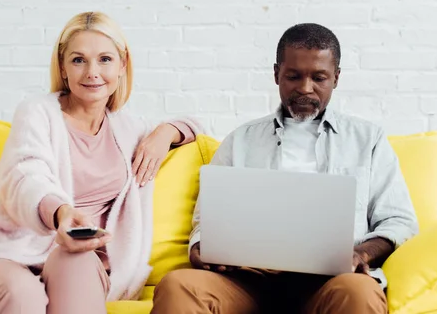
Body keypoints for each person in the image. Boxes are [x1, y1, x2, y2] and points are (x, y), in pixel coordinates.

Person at [0, 11, 203, 314]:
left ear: (123, 65)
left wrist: (165, 133)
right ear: (63, 67)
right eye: (79, 60)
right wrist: (61, 213)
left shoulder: (130, 129)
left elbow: (195, 126)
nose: (92, 72)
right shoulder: (36, 113)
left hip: (80, 257)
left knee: (78, 261)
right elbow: (25, 175)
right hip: (13, 250)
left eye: (105, 59)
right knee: (21, 295)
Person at [151, 23, 418, 314]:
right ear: (276, 73)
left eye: (319, 78)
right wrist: (200, 248)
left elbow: (399, 221)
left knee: (359, 291)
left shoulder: (368, 140)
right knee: (178, 285)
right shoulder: (241, 141)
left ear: (336, 78)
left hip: (331, 281)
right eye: (293, 76)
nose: (305, 88)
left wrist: (360, 253)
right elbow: (206, 222)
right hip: (247, 280)